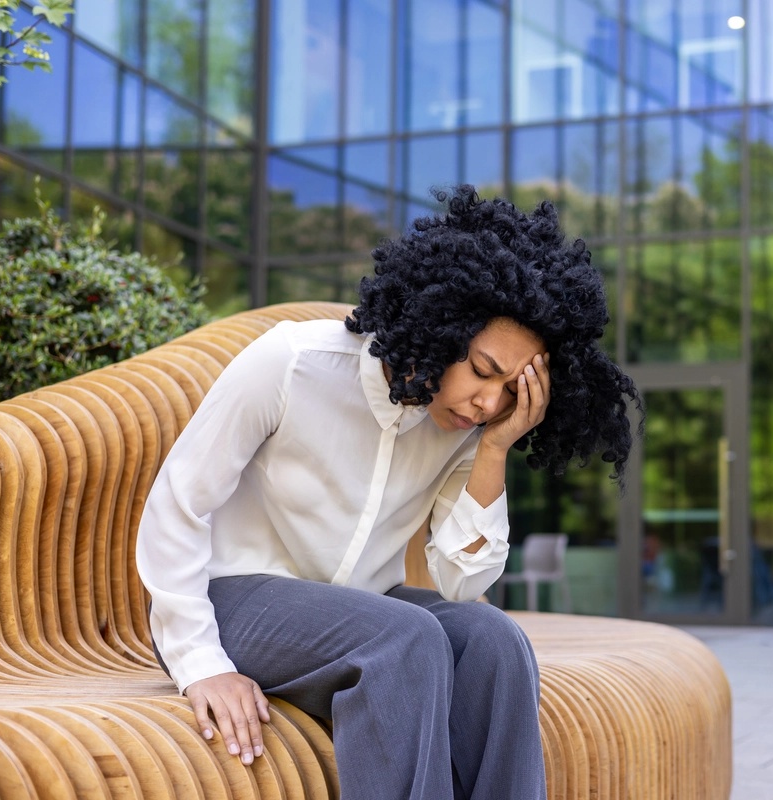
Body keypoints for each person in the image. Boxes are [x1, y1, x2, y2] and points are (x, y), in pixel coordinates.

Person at [135, 184, 642, 799]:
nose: (489, 401)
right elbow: (178, 501)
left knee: (494, 642)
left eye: (512, 391)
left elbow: (462, 583)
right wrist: (201, 665)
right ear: (441, 327)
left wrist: (493, 448)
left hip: (361, 615)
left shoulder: (465, 429)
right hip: (234, 602)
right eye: (483, 371)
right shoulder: (294, 363)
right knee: (404, 638)